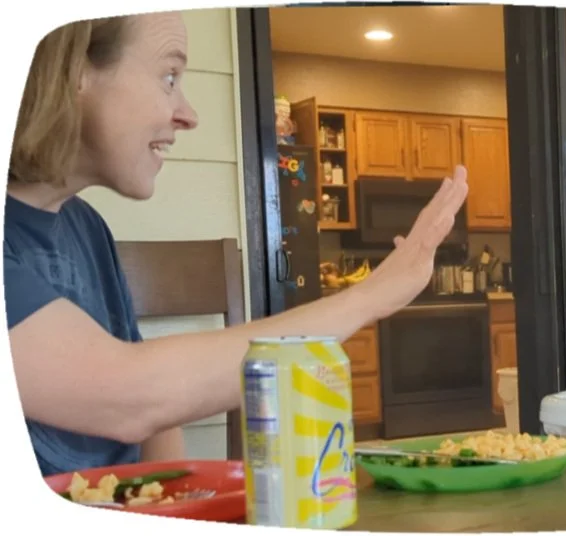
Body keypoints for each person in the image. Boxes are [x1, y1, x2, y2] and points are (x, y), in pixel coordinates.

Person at [4, 12, 468, 477]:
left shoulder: (86, 228)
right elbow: (128, 395)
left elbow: (155, 423)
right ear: (74, 70)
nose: (188, 114)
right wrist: (372, 294)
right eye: (168, 77)